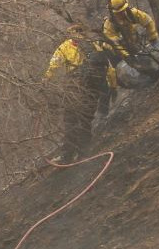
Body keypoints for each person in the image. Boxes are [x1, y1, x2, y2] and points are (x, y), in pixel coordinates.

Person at [44, 23, 119, 161]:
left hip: (74, 88)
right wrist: (113, 88)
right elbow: (109, 69)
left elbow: (53, 66)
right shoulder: (94, 45)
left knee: (71, 120)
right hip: (93, 88)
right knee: (85, 120)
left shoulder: (65, 46)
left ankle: (67, 155)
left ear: (69, 34)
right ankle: (84, 153)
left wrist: (45, 81)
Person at [103, 0, 159, 82]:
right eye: (118, 13)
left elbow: (148, 22)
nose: (121, 14)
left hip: (135, 43)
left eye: (122, 10)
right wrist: (127, 56)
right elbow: (114, 45)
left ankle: (153, 70)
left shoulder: (133, 13)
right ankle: (140, 79)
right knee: (123, 72)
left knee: (148, 53)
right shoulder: (109, 26)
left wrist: (153, 37)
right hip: (118, 53)